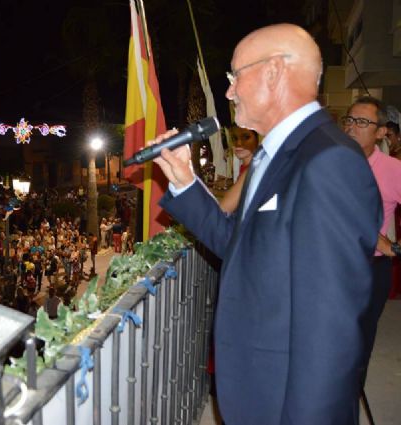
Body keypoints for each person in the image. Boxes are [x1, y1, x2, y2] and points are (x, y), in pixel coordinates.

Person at [152, 24, 382, 424]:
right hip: (257, 389)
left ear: (274, 72)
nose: (228, 91)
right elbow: (241, 247)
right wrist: (184, 182)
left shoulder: (329, 161)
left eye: (234, 76)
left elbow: (332, 325)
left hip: (285, 402)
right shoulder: (271, 155)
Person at [342, 96, 401, 353]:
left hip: (370, 268)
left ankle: (351, 392)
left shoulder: (392, 169)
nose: (352, 127)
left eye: (363, 122)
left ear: (380, 132)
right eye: (350, 120)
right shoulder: (328, 163)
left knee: (358, 344)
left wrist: (395, 248)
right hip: (328, 264)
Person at [219, 125, 260, 213]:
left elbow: (236, 200)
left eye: (246, 137)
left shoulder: (255, 169)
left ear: (257, 140)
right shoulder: (244, 167)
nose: (239, 143)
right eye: (234, 138)